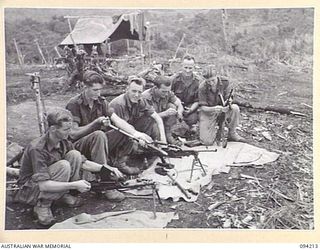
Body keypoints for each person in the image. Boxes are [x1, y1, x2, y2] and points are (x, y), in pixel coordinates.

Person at [13, 108, 121, 226]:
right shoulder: (37, 148)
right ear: (53, 129)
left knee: (75, 155)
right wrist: (74, 185)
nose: (70, 132)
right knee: (63, 165)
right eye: (66, 129)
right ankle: (42, 205)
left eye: (70, 128)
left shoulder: (64, 142)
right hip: (30, 189)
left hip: (48, 182)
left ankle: (62, 195)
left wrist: (105, 168)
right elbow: (43, 185)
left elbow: (83, 163)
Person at [66, 71, 152, 178]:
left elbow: (117, 120)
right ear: (85, 87)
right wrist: (95, 123)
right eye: (95, 90)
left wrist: (136, 134)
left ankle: (119, 163)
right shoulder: (74, 104)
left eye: (100, 90)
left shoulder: (101, 102)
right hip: (78, 147)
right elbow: (73, 134)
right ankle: (105, 178)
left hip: (97, 143)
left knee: (124, 130)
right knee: (99, 134)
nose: (98, 93)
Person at [109, 76, 167, 162]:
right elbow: (121, 129)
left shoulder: (140, 100)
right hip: (115, 135)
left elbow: (157, 118)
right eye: (133, 91)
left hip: (130, 130)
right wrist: (139, 137)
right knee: (131, 142)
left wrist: (163, 139)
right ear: (127, 89)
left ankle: (152, 148)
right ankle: (122, 159)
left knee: (149, 119)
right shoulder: (118, 104)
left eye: (139, 92)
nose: (136, 95)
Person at [198, 65, 246, 145]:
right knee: (206, 142)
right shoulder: (202, 87)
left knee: (235, 108)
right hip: (209, 112)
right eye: (208, 81)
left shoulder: (225, 82)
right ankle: (213, 131)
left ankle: (232, 133)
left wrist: (228, 102)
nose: (211, 83)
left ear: (217, 75)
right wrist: (214, 109)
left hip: (224, 110)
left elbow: (229, 97)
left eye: (213, 80)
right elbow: (203, 108)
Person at [142, 75, 184, 145]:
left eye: (168, 91)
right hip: (149, 124)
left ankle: (168, 135)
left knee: (172, 106)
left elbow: (179, 104)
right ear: (156, 88)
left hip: (162, 121)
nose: (166, 94)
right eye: (163, 92)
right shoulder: (146, 97)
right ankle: (158, 141)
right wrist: (165, 113)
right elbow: (145, 119)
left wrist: (179, 112)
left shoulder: (167, 92)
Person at [171, 55, 202, 129]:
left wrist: (191, 109)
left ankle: (189, 129)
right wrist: (178, 107)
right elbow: (169, 95)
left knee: (192, 119)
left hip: (190, 107)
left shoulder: (198, 81)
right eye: (185, 67)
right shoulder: (174, 79)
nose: (187, 70)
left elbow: (198, 100)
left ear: (194, 67)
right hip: (176, 105)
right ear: (182, 66)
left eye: (190, 68)